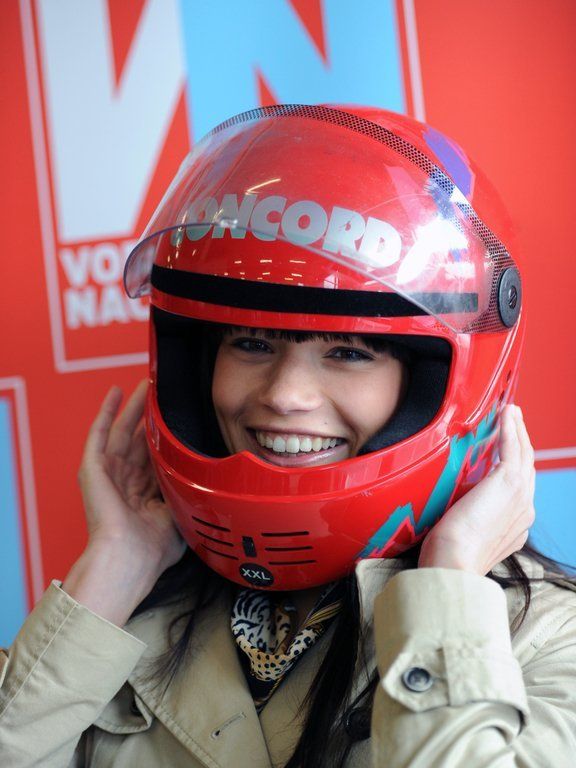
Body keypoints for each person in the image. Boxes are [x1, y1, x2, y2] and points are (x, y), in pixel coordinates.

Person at [1, 104, 575, 768]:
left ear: (444, 382)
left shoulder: (544, 640)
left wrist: (447, 585)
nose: (283, 394)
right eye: (251, 343)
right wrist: (113, 570)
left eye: (349, 353)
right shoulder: (119, 627)